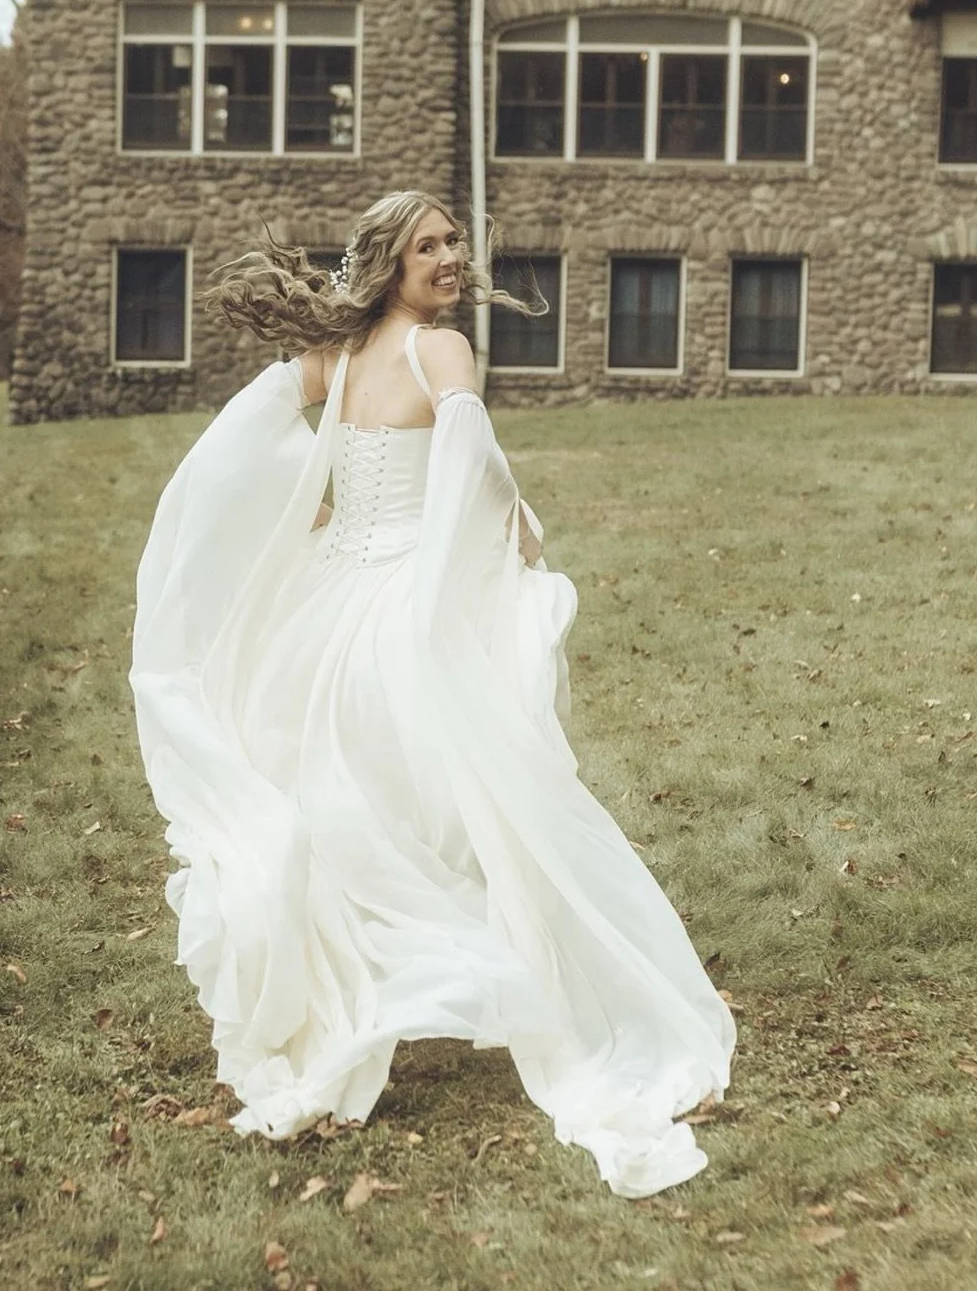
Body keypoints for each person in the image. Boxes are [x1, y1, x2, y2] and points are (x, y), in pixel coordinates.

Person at [129, 190, 736, 1198]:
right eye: (428, 245)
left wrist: (299, 497)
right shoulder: (438, 351)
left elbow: (263, 431)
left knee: (359, 801)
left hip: (333, 604)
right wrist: (510, 532)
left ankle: (374, 986)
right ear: (390, 264)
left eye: (456, 239)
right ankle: (521, 982)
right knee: (489, 799)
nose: (451, 256)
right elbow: (468, 464)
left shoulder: (341, 355)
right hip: (390, 603)